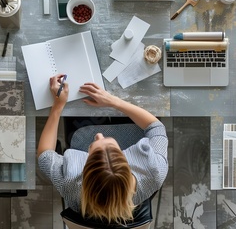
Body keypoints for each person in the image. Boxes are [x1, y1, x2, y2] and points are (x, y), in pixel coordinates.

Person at [37, 74, 168, 225]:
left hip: (83, 129)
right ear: (126, 158)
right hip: (136, 128)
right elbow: (155, 127)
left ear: (84, 166)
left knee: (80, 105)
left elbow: (44, 155)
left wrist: (58, 106)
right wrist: (114, 101)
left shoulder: (70, 183)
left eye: (92, 148)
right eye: (111, 145)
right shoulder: (153, 170)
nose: (99, 135)